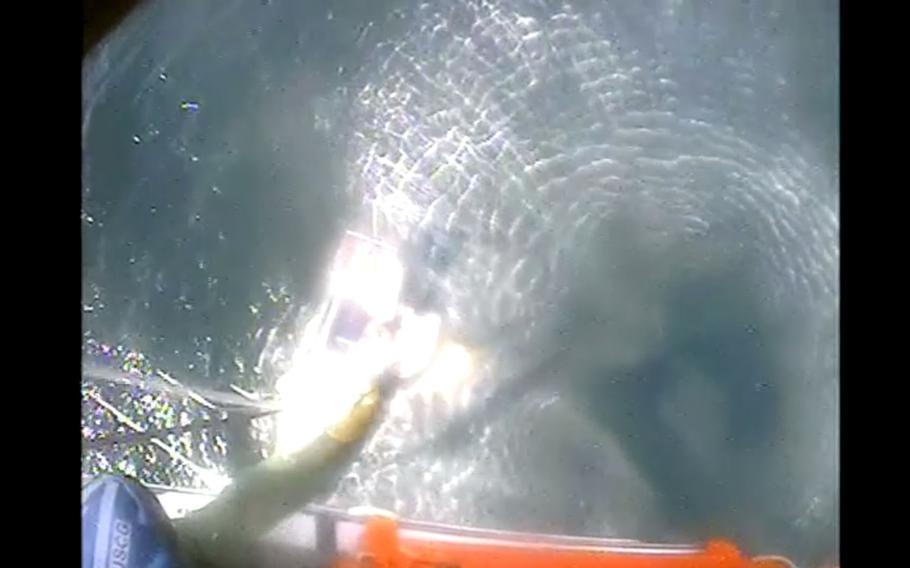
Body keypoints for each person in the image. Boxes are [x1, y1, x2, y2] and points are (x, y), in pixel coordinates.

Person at [83, 362, 397, 568]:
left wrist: (372, 401)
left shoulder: (208, 539)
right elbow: (291, 479)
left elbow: (284, 482)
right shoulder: (206, 539)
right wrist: (375, 399)